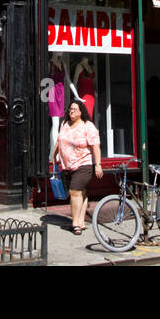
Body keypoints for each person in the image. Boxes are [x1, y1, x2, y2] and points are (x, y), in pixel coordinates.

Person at [51, 100, 103, 235]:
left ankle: (75, 224)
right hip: (67, 166)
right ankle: (81, 221)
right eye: (70, 109)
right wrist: (54, 155)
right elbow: (59, 140)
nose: (72, 111)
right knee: (81, 192)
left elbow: (96, 146)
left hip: (84, 164)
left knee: (74, 191)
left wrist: (98, 164)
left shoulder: (88, 126)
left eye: (75, 109)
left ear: (81, 112)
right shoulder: (65, 124)